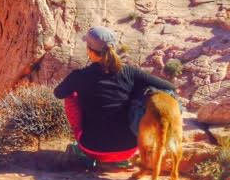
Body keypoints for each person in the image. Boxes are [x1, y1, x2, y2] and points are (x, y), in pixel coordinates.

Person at [52, 26, 177, 170]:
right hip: (130, 147)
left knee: (71, 97)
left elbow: (58, 93)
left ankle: (85, 156)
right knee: (137, 90)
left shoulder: (79, 76)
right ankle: (119, 161)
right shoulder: (130, 71)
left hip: (93, 147)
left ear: (90, 51)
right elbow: (169, 87)